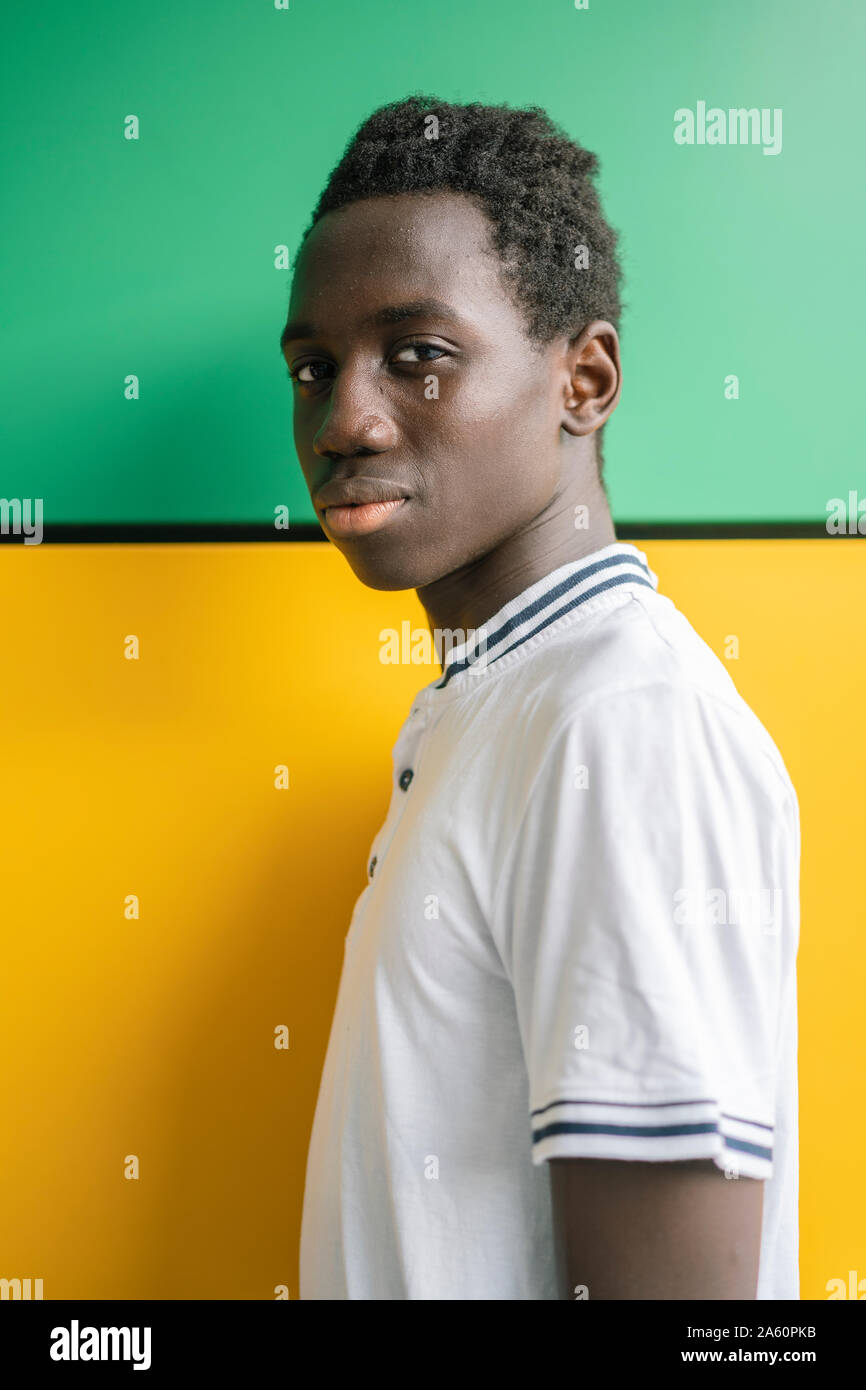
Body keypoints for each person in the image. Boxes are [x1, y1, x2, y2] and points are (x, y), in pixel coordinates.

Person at [279, 96, 800, 1300]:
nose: (343, 420)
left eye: (419, 355)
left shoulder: (616, 724)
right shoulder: (503, 709)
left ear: (584, 377)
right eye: (314, 368)